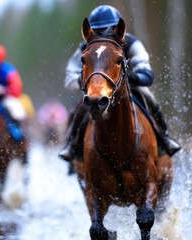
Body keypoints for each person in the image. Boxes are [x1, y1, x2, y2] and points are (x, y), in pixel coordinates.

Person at [59, 5, 181, 161]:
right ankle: (72, 145)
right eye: (98, 31)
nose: (104, 35)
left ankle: (164, 138)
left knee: (148, 96)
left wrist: (129, 76)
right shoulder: (85, 48)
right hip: (97, 87)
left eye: (108, 29)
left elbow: (147, 75)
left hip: (127, 85)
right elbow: (70, 78)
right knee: (79, 107)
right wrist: (87, 80)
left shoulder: (131, 43)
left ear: (118, 29)